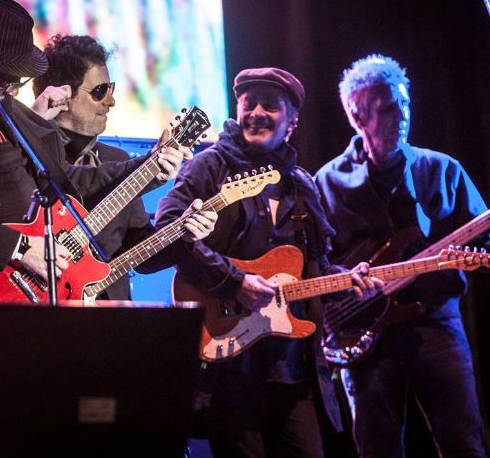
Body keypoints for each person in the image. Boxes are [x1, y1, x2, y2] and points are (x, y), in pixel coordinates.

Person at [0, 0, 213, 457]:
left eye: (14, 79)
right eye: (4, 77)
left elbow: (63, 181)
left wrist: (149, 169)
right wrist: (20, 248)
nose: (9, 88)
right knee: (4, 410)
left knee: (45, 411)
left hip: (24, 279)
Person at [314, 54, 490, 457]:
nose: (400, 116)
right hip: (361, 335)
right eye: (385, 109)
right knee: (377, 450)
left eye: (404, 104)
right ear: (357, 116)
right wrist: (347, 284)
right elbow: (312, 264)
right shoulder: (327, 183)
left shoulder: (442, 170)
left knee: (464, 445)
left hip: (436, 326)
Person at [156, 67, 382, 458]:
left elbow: (313, 271)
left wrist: (348, 281)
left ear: (291, 121)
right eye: (249, 103)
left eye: (270, 106)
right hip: (230, 367)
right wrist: (234, 281)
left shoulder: (302, 185)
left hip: (293, 370)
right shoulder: (209, 168)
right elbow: (167, 231)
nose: (257, 112)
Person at [31, 34, 206, 299]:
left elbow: (140, 255)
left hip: (110, 320)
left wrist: (183, 234)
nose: (111, 102)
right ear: (62, 96)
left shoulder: (116, 159)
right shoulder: (29, 156)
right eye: (99, 91)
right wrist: (144, 168)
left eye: (110, 89)